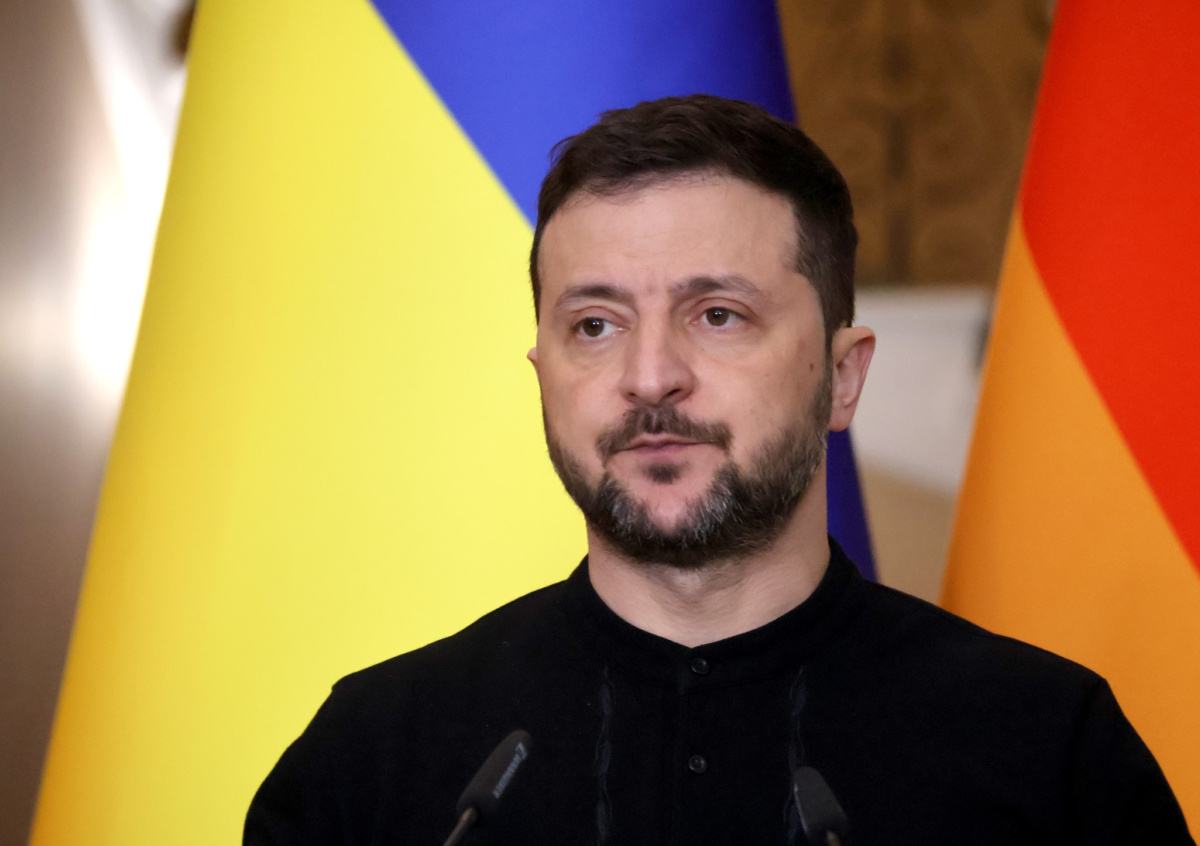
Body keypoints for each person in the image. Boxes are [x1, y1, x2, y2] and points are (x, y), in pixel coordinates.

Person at [244, 95, 1192, 845]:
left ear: (842, 377)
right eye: (595, 325)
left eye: (718, 315)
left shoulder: (1045, 750)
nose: (650, 375)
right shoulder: (375, 758)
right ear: (544, 376)